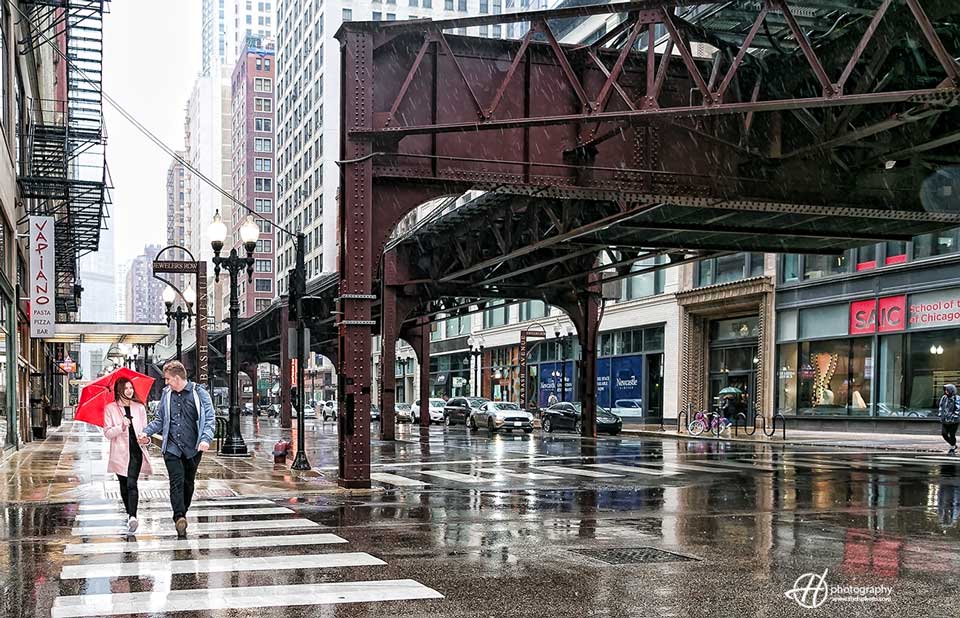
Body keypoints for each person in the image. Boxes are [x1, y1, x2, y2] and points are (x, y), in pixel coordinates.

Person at [139, 360, 216, 536]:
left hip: (193, 447)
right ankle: (178, 516)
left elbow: (210, 419)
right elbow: (160, 420)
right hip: (172, 448)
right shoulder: (167, 395)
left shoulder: (199, 393)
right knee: (176, 480)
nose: (165, 383)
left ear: (177, 377)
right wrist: (146, 432)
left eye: (167, 379)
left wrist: (206, 439)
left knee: (188, 483)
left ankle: (183, 513)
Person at [103, 377, 152, 533]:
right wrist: (121, 426)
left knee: (132, 483)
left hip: (136, 451)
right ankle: (129, 514)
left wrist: (146, 438)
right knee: (124, 485)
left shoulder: (139, 408)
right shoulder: (111, 408)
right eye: (126, 388)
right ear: (119, 390)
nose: (129, 391)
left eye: (131, 387)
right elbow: (107, 433)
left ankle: (133, 516)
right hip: (120, 453)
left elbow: (146, 429)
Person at [938, 384, 960, 454]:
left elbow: (958, 408)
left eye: (947, 390)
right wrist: (941, 414)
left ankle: (952, 448)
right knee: (944, 434)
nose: (946, 391)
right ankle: (953, 445)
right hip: (945, 420)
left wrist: (955, 416)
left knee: (952, 434)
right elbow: (941, 406)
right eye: (945, 390)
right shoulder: (944, 397)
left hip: (954, 421)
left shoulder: (956, 398)